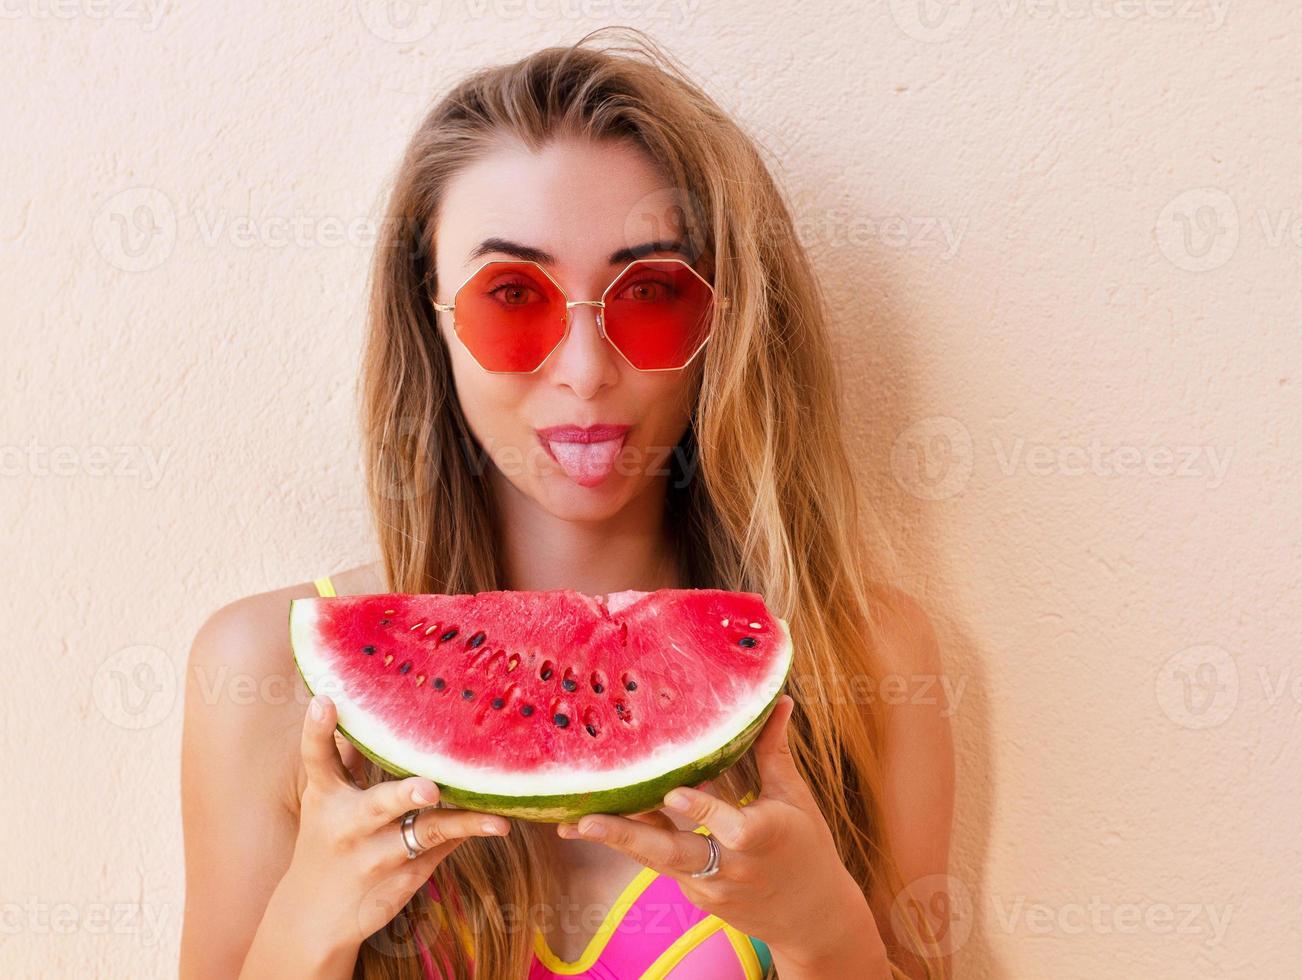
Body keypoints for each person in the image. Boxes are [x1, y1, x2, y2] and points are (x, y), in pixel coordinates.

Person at [180, 27, 955, 980]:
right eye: (512, 294)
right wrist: (309, 927)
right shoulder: (265, 672)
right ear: (431, 322)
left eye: (652, 291)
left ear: (730, 321)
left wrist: (826, 937)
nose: (586, 373)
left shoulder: (866, 659)